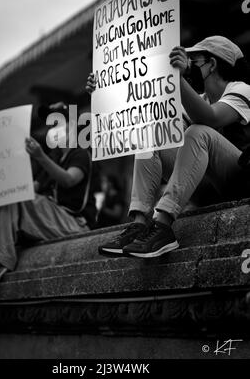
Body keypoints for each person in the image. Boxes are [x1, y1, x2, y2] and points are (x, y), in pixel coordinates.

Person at [87, 36, 250, 257]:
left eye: (195, 59)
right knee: (150, 137)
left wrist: (177, 78)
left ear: (212, 64)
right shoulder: (199, 98)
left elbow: (209, 117)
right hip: (206, 187)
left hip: (237, 181)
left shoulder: (241, 89)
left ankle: (163, 224)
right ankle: (139, 223)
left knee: (197, 131)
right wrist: (104, 95)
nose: (189, 63)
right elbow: (157, 127)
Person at [0, 103, 96, 292]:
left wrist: (40, 157)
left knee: (19, 199)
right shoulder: (54, 156)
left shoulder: (80, 153)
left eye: (59, 122)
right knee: (8, 197)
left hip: (74, 222)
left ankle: (0, 258)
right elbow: (27, 190)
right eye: (52, 124)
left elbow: (69, 180)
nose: (54, 128)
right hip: (52, 218)